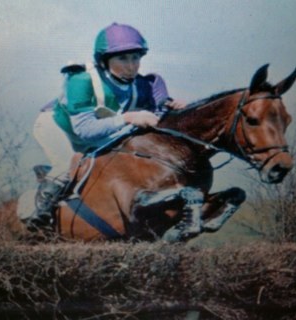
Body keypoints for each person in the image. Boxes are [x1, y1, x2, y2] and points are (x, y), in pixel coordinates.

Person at [27, 22, 186, 230]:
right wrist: (128, 118)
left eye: (135, 58)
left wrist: (176, 109)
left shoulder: (145, 84)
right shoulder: (80, 80)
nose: (131, 66)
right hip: (57, 127)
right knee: (66, 164)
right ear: (104, 60)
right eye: (122, 58)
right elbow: (85, 131)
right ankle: (41, 213)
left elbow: (158, 116)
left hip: (96, 128)